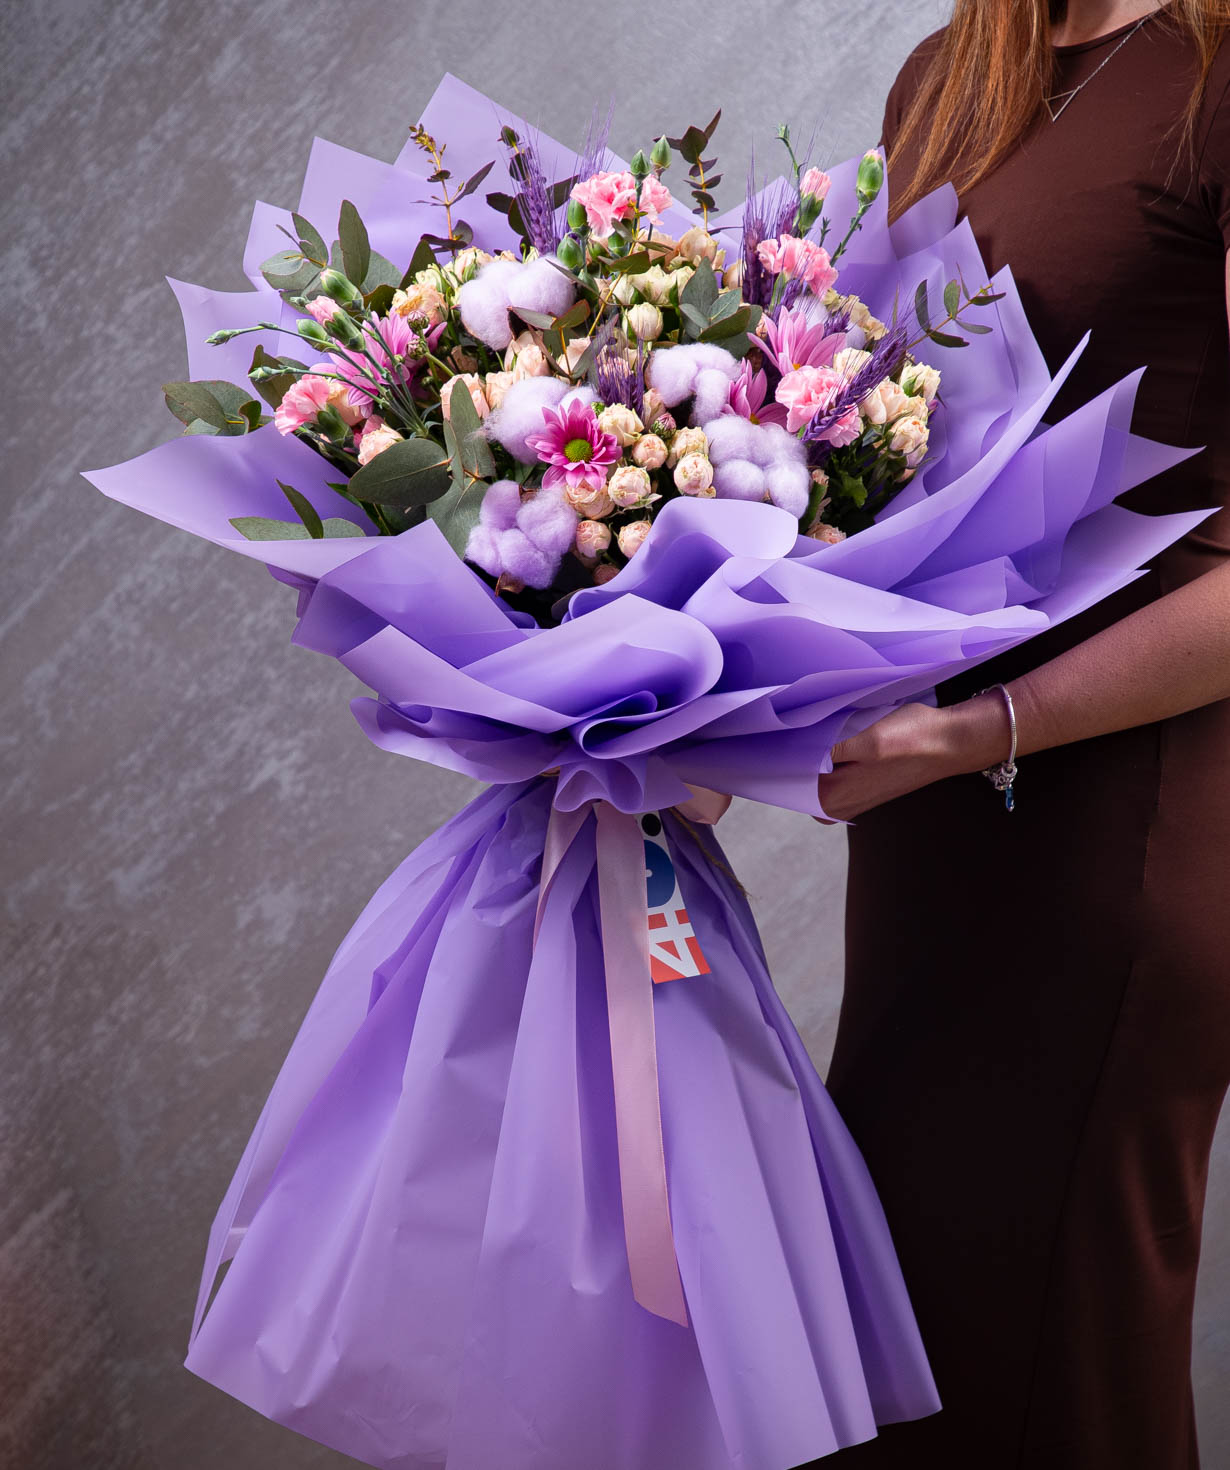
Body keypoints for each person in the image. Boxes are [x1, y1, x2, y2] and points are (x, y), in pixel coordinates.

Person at [806, 3, 1230, 1467]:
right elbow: (875, 451)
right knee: (906, 1338)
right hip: (934, 819)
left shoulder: (1220, 73)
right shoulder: (948, 72)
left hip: (1124, 808)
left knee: (1060, 1350)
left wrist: (986, 724)